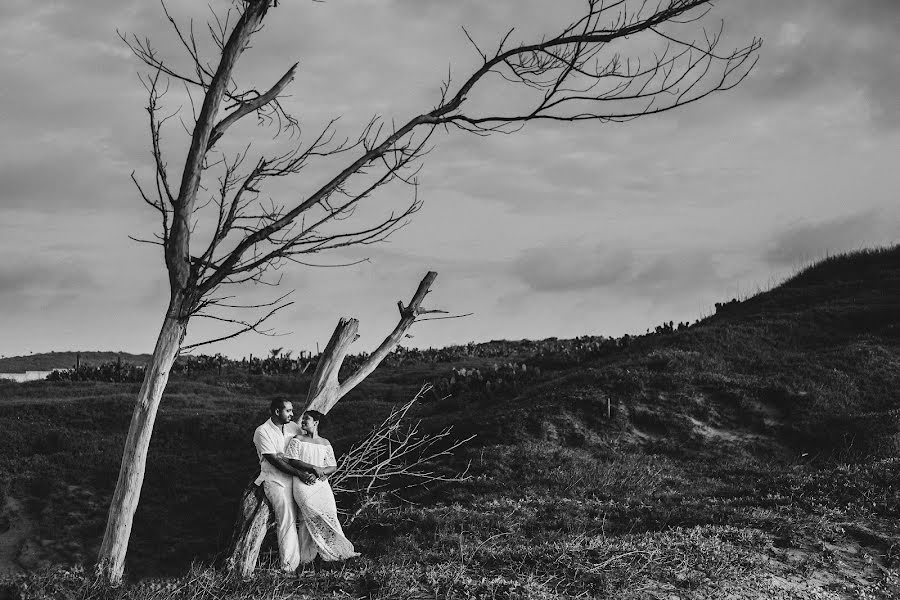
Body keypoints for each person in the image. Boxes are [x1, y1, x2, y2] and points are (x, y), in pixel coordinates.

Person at [281, 409, 359, 565]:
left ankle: (336, 552)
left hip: (321, 484)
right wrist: (312, 468)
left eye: (306, 420)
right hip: (303, 483)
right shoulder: (298, 439)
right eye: (303, 420)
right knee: (309, 515)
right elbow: (291, 460)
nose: (302, 422)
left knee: (330, 512)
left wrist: (320, 471)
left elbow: (332, 466)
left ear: (316, 422)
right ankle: (306, 558)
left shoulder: (325, 442)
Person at [252, 399, 315, 572]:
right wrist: (298, 471)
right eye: (288, 411)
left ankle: (307, 561)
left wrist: (299, 466)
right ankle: (289, 566)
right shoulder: (262, 431)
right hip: (275, 480)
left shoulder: (293, 427)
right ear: (277, 411)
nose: (292, 414)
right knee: (286, 519)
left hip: (296, 478)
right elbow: (274, 461)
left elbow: (303, 448)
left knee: (306, 515)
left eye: (292, 411)